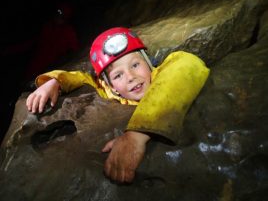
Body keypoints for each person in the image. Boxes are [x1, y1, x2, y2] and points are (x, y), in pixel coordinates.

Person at [26, 27, 210, 183]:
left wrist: (137, 135)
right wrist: (53, 82)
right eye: (118, 75)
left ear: (148, 62)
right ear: (109, 85)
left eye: (136, 65)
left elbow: (187, 63)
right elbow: (81, 77)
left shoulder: (161, 73)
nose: (131, 77)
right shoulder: (107, 92)